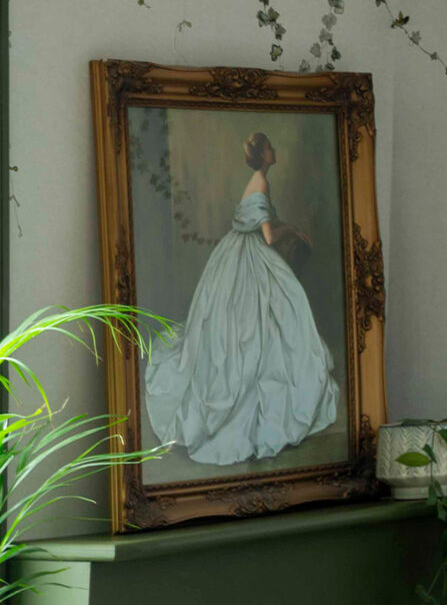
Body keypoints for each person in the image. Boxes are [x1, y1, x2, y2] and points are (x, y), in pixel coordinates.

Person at [143, 130, 339, 466]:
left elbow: (257, 222)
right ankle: (253, 401)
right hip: (248, 256)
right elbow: (266, 236)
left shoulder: (257, 181)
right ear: (263, 154)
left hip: (234, 252)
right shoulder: (260, 182)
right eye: (270, 147)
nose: (274, 150)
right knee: (263, 321)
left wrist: (285, 226)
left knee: (257, 324)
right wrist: (290, 230)